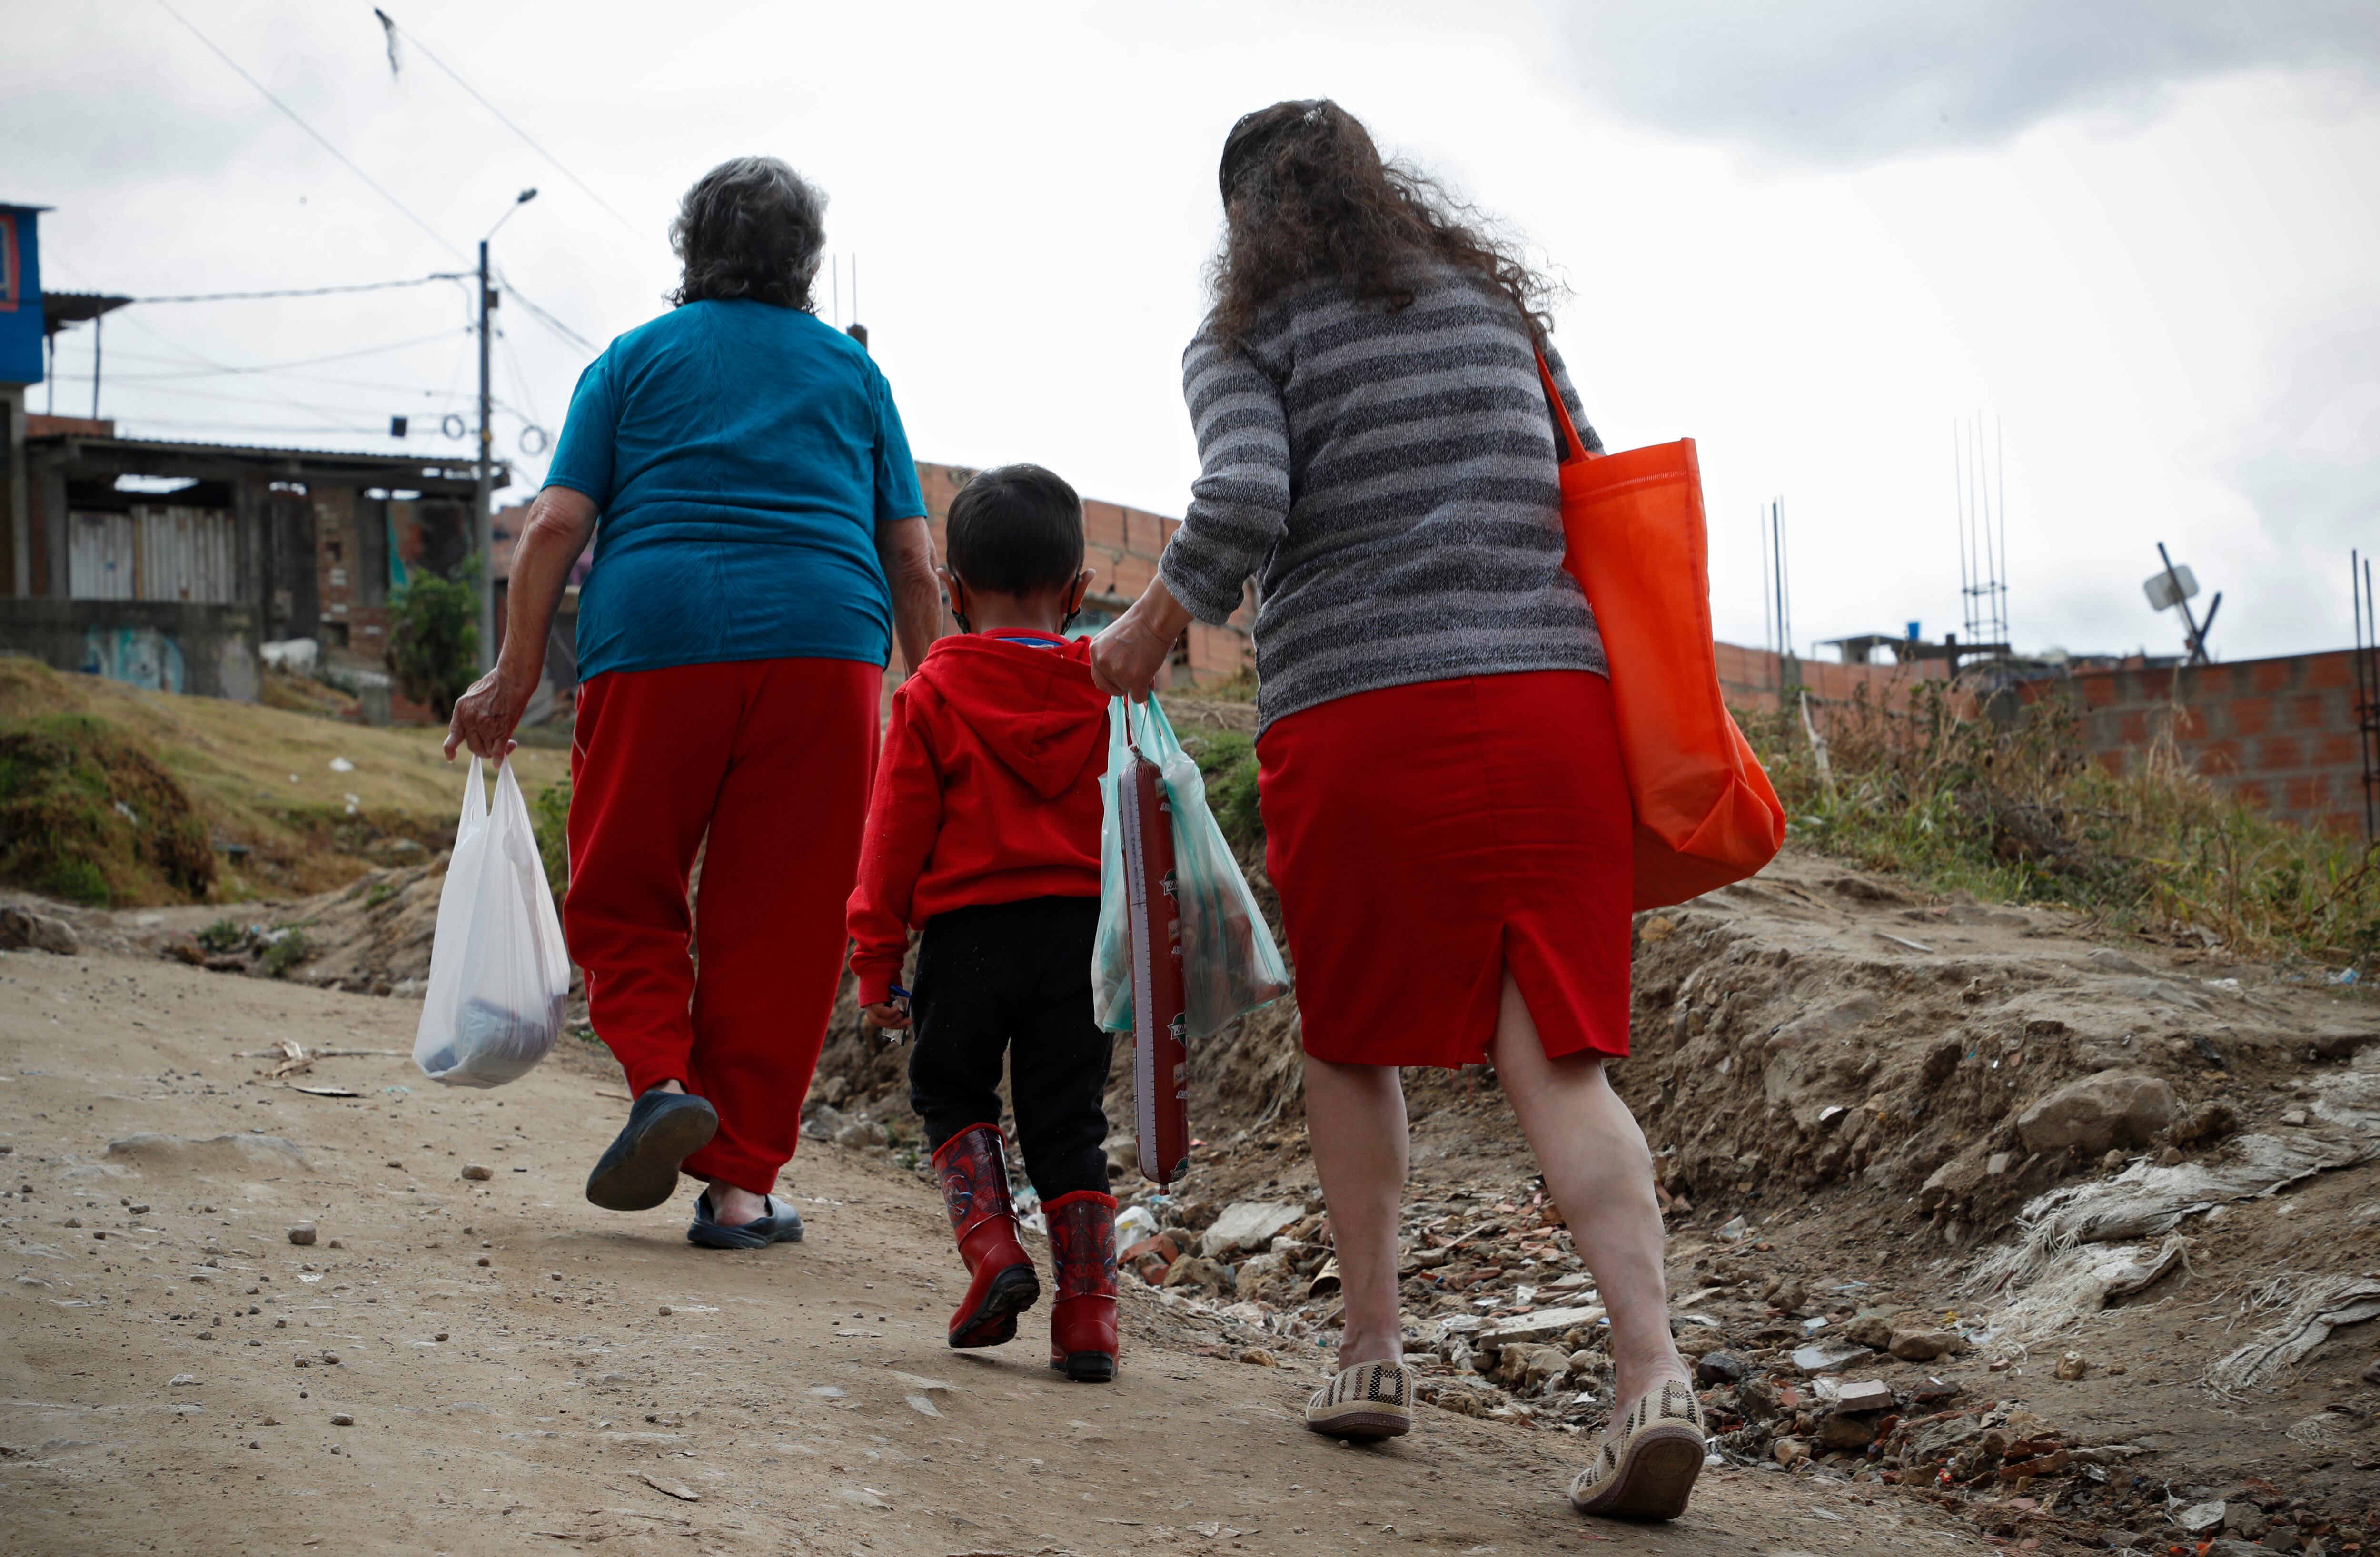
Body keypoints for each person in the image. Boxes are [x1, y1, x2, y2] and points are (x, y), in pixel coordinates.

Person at [1088, 101, 1703, 1520]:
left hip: (1363, 714)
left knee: (1353, 1037)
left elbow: (1244, 492)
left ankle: (1371, 1352)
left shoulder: (1248, 338)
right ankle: (1653, 1375)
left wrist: (1148, 628)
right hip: (1552, 706)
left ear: (1245, 221)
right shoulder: (1494, 308)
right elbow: (1590, 477)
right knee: (1558, 1052)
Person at [444, 156, 943, 1252]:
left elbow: (550, 529)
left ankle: (662, 1079)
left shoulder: (628, 362)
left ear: (689, 250)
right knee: (786, 919)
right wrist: (940, 698)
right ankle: (740, 1191)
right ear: (806, 262)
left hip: (653, 640)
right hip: (824, 649)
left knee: (626, 880)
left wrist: (514, 672)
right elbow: (911, 555)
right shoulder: (854, 377)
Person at [846, 464, 1121, 1381]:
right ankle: (1088, 1317)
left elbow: (893, 838)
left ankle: (994, 1254)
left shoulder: (929, 694)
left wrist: (876, 956)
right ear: (1078, 593)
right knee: (1069, 1121)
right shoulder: (1107, 690)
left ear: (953, 594)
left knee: (953, 1092)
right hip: (1082, 941)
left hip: (968, 937)